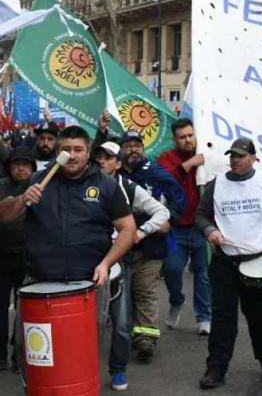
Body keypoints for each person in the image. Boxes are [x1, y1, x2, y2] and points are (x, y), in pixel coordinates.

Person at [0, 126, 136, 381]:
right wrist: (22, 200)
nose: (71, 156)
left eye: (78, 150)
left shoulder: (105, 186)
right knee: (31, 350)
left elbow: (128, 229)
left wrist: (107, 263)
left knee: (81, 348)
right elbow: (4, 216)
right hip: (40, 279)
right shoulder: (38, 180)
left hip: (88, 282)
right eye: (66, 150)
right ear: (56, 151)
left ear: (88, 154)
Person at [195, 138, 262, 389]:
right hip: (225, 261)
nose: (235, 160)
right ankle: (216, 368)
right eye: (232, 156)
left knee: (258, 313)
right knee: (223, 316)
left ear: (253, 158)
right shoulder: (216, 185)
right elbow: (200, 215)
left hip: (257, 261)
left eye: (240, 155)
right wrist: (209, 230)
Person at [94, 141, 170, 391]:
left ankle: (117, 370)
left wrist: (140, 232)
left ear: (118, 163)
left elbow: (162, 212)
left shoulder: (128, 187)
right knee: (89, 322)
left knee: (122, 322)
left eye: (108, 158)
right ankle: (84, 369)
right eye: (99, 157)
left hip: (120, 261)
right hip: (88, 261)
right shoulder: (83, 184)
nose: (102, 161)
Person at [117, 129, 186, 361]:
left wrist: (170, 220)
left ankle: (145, 339)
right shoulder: (112, 176)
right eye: (128, 146)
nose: (133, 150)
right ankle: (124, 335)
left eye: (138, 145)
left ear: (143, 149)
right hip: (120, 247)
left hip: (151, 245)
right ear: (121, 150)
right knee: (124, 295)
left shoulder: (156, 173)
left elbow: (179, 199)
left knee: (146, 291)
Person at [157, 118, 212, 335]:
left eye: (190, 135)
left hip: (200, 226)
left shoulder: (206, 156)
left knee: (203, 274)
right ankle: (176, 300)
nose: (187, 140)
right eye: (182, 137)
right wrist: (189, 165)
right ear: (175, 139)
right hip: (175, 227)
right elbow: (165, 179)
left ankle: (204, 316)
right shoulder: (166, 158)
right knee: (171, 270)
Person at [0, 147, 35, 371]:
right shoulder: (1, 186)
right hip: (1, 258)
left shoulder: (42, 187)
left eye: (25, 163)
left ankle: (18, 354)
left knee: (26, 311)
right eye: (16, 163)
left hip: (29, 259)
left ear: (32, 167)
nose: (20, 167)